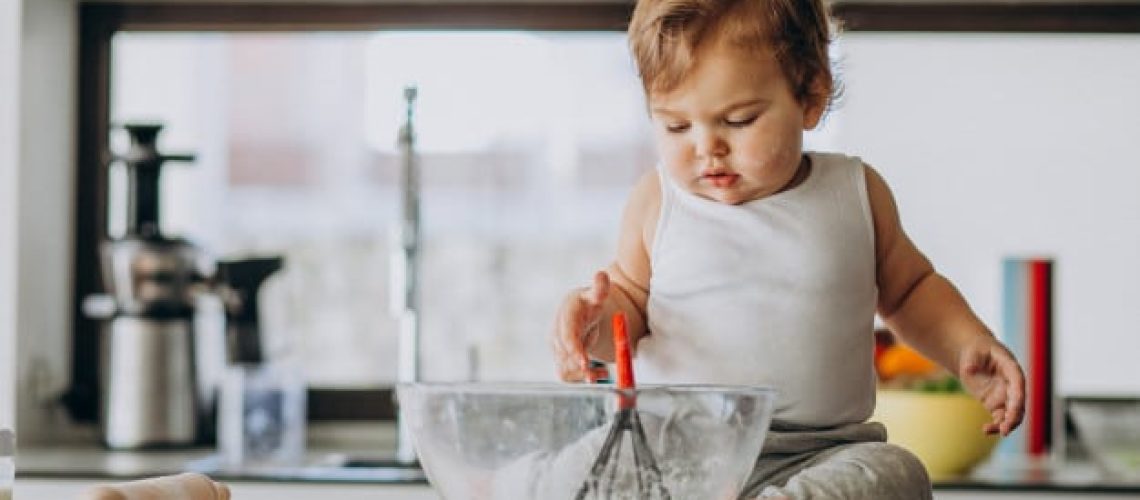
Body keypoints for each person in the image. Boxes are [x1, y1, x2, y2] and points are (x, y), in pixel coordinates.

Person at [551, 0, 1026, 498]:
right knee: (566, 470)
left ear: (810, 96)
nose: (705, 147)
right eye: (676, 126)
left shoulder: (856, 192)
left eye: (738, 120)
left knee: (896, 473)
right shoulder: (657, 200)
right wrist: (592, 324)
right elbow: (629, 306)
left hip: (817, 453)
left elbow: (909, 292)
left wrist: (968, 345)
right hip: (673, 450)